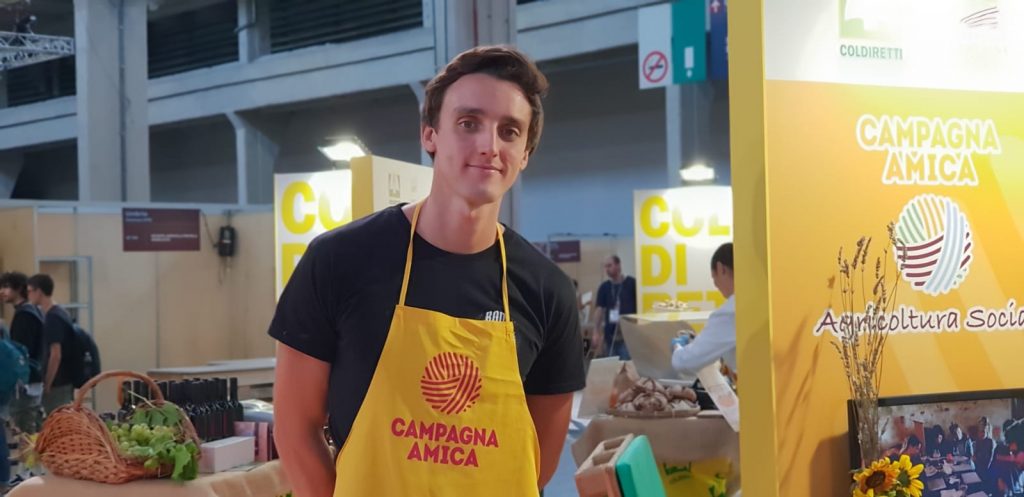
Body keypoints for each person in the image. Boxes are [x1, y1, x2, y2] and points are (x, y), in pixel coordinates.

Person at [269, 46, 584, 497]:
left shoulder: (547, 291)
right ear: (430, 135)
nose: (489, 146)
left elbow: (538, 462)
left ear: (525, 154)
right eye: (468, 123)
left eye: (510, 131)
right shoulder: (339, 261)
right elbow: (295, 428)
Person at [671, 243, 737, 375]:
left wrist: (677, 347)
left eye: (714, 277)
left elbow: (686, 362)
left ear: (721, 268)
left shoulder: (731, 311)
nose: (715, 284)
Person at [0, 272, 45, 435]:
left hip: (26, 382)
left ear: (19, 288)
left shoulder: (25, 315)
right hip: (34, 378)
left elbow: (20, 354)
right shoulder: (33, 311)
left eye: (6, 287)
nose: (2, 291)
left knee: (24, 431)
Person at [27, 274, 76, 414]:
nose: (28, 295)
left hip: (58, 382)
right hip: (65, 379)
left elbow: (55, 354)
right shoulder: (61, 312)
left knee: (56, 419)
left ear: (39, 291)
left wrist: (47, 383)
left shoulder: (52, 317)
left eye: (30, 291)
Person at [591, 255, 636, 359]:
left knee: (626, 366)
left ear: (618, 265)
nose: (607, 269)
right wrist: (596, 332)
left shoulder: (631, 283)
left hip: (628, 337)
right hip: (610, 336)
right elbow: (599, 310)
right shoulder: (604, 287)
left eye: (609, 265)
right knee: (612, 365)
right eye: (605, 266)